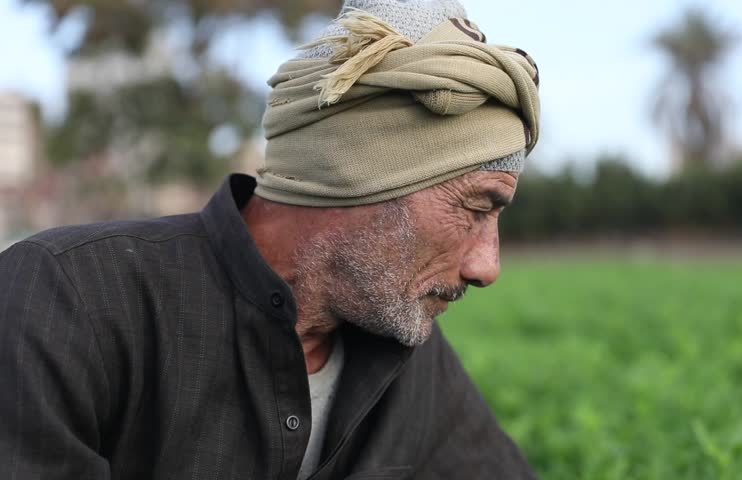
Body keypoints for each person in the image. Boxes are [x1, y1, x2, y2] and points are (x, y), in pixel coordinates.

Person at [0, 0, 540, 478]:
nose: (485, 267)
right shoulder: (65, 298)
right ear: (359, 175)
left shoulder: (407, 350)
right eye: (474, 208)